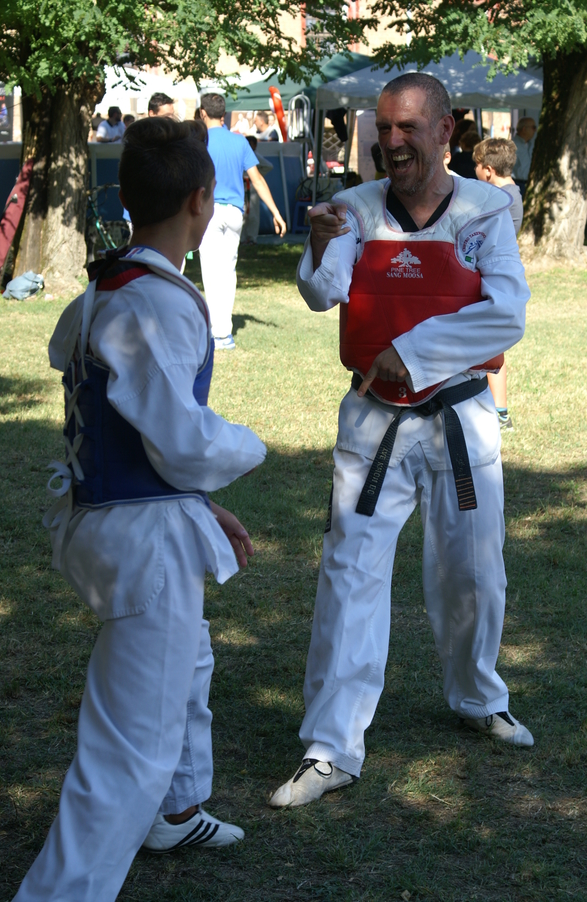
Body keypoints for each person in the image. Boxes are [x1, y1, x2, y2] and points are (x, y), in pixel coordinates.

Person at [12, 117, 267, 902]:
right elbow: (182, 441)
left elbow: (124, 420)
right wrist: (249, 447)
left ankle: (176, 810)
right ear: (201, 201)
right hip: (138, 536)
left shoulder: (108, 288)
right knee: (128, 749)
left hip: (111, 515)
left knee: (189, 659)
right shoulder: (153, 301)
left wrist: (196, 504)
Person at [269, 72, 533, 811]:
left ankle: (479, 696)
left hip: (459, 417)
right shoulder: (355, 207)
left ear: (446, 131)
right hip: (374, 419)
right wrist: (318, 246)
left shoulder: (486, 210)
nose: (392, 142)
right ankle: (331, 746)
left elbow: (507, 313)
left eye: (408, 127)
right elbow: (323, 292)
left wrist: (412, 352)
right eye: (384, 128)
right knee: (348, 575)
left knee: (473, 572)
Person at [198, 93, 286, 349]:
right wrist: (276, 212)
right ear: (224, 115)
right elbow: (257, 179)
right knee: (228, 271)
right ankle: (224, 333)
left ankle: (217, 332)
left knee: (211, 272)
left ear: (203, 113)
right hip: (235, 213)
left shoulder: (199, 142)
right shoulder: (240, 142)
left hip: (209, 211)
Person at [473, 137, 523, 432]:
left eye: (477, 167)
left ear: (488, 170)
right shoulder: (511, 192)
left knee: (492, 349)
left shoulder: (500, 200)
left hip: (492, 279)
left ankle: (500, 412)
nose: (475, 172)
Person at [241, 134, 274, 245]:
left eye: (251, 144)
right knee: (243, 212)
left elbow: (268, 166)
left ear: (255, 145)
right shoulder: (241, 155)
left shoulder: (255, 156)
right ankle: (242, 238)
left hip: (252, 186)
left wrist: (256, 176)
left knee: (253, 213)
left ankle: (252, 238)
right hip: (242, 185)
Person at [512, 117, 537, 197]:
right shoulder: (512, 145)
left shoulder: (532, 144)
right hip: (517, 184)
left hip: (530, 184)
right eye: (533, 127)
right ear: (524, 129)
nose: (535, 131)